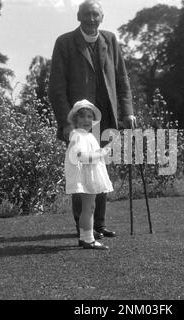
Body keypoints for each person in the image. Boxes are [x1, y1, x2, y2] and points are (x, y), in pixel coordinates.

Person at [49, 0, 136, 239]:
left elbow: (122, 79)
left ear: (102, 17)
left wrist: (127, 111)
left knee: (99, 169)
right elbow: (56, 87)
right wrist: (66, 122)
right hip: (79, 120)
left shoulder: (110, 39)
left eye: (95, 14)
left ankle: (99, 224)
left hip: (105, 116)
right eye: (86, 14)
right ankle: (83, 227)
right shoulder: (65, 42)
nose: (91, 18)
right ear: (78, 16)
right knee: (81, 173)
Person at [65, 100, 113, 250]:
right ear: (75, 119)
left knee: (90, 207)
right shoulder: (78, 136)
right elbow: (80, 155)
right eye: (83, 117)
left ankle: (85, 237)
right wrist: (102, 153)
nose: (87, 120)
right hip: (86, 177)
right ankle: (88, 240)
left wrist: (103, 151)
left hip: (90, 175)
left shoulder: (87, 136)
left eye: (89, 117)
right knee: (88, 208)